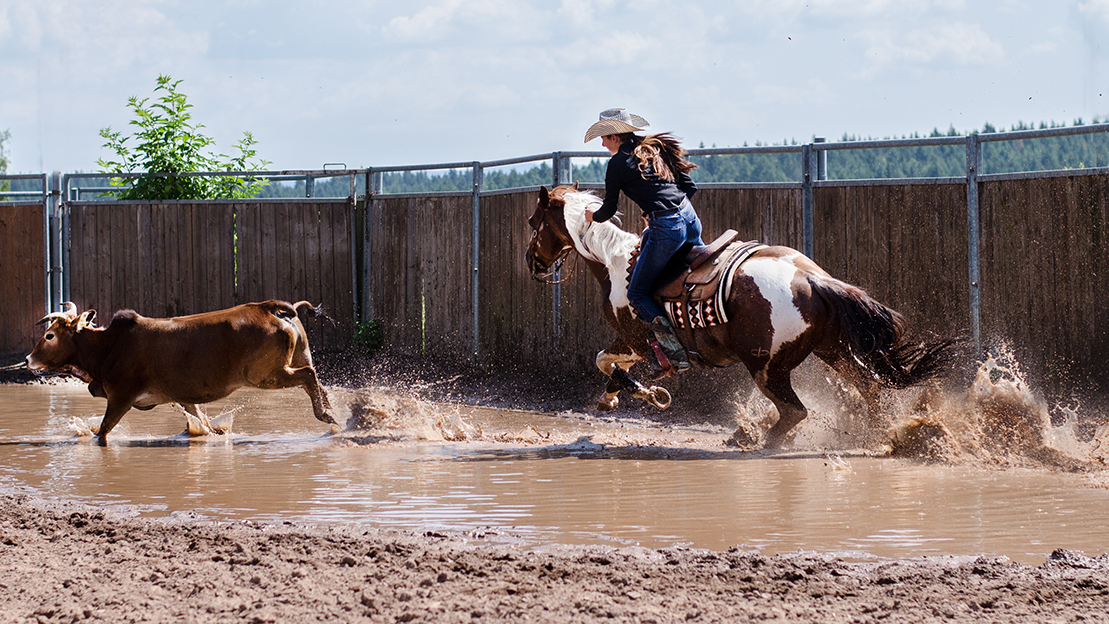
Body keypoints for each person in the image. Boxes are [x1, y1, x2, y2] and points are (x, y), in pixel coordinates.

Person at [583, 108, 703, 372]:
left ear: (614, 136)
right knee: (701, 275)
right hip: (690, 218)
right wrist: (666, 210)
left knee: (636, 293)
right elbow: (689, 187)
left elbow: (609, 210)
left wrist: (592, 216)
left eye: (604, 138)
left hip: (667, 229)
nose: (602, 144)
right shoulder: (653, 150)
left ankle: (674, 352)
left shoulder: (616, 164)